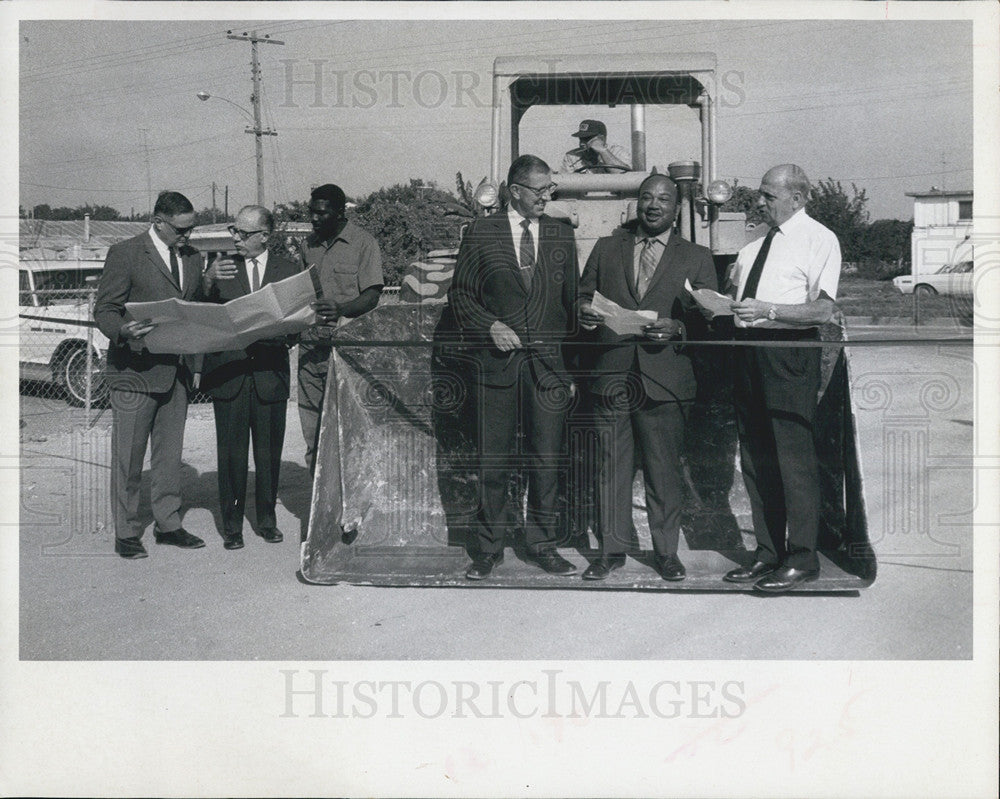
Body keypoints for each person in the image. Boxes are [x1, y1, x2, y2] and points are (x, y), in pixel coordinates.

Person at [578, 174, 717, 581]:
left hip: (665, 377)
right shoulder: (606, 248)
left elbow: (710, 317)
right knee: (610, 467)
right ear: (636, 203)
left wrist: (680, 328)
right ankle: (611, 550)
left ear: (677, 209)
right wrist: (584, 313)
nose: (653, 205)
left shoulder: (697, 256)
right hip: (612, 375)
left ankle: (666, 553)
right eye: (647, 197)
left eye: (663, 199)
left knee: (663, 470)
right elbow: (582, 296)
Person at [448, 154, 580, 580]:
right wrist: (491, 326)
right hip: (496, 366)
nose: (548, 197)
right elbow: (462, 296)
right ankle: (487, 548)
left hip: (548, 368)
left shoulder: (561, 234)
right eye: (540, 191)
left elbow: (570, 304)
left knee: (547, 459)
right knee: (494, 460)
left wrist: (570, 370)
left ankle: (543, 544)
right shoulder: (481, 233)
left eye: (550, 190)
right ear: (515, 191)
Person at [722, 164, 841, 592]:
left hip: (789, 354)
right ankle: (768, 554)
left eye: (769, 196)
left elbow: (822, 311)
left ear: (799, 197)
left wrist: (768, 310)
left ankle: (803, 558)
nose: (759, 202)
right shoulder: (752, 249)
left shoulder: (820, 239)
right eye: (760, 194)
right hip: (747, 353)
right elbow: (739, 306)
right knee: (756, 460)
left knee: (792, 459)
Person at [94, 191, 205, 559]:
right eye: (181, 230)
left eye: (191, 229)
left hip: (177, 372)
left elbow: (194, 308)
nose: (187, 237)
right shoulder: (125, 253)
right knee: (129, 455)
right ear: (158, 221)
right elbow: (106, 310)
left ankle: (168, 523)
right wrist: (123, 331)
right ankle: (126, 531)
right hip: (134, 371)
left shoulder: (192, 258)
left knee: (169, 456)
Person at [195, 206, 300, 550]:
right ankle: (232, 526)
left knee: (268, 455)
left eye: (242, 233)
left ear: (264, 236)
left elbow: (300, 321)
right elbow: (200, 313)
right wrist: (207, 280)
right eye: (233, 231)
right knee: (231, 456)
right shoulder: (220, 267)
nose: (235, 238)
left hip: (269, 374)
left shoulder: (288, 270)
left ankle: (267, 522)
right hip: (230, 375)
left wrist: (283, 332)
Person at [296, 184, 384, 475]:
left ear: (339, 212)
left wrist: (342, 309)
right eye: (312, 212)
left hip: (346, 353)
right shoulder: (307, 245)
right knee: (313, 434)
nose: (315, 218)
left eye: (322, 213)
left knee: (348, 432)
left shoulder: (363, 243)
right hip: (310, 352)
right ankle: (317, 512)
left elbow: (372, 296)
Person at [561, 119, 631, 174]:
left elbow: (626, 178)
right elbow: (565, 187)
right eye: (581, 139)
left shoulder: (618, 152)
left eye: (587, 139)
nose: (582, 143)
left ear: (602, 139)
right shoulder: (572, 157)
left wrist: (603, 151)